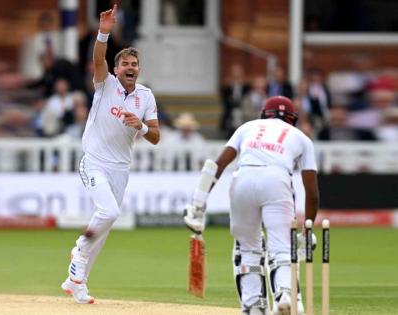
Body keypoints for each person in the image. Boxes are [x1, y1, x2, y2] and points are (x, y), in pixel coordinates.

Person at [61, 4, 160, 304]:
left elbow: (155, 137)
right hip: (94, 161)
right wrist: (103, 32)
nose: (130, 67)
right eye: (125, 64)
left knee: (103, 230)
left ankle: (76, 283)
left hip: (121, 169)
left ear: (138, 69)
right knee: (110, 213)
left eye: (134, 64)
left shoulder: (146, 96)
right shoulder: (106, 85)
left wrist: (141, 126)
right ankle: (79, 249)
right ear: (117, 69)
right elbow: (97, 59)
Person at [184, 96, 319, 315]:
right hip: (277, 180)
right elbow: (312, 192)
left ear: (264, 114)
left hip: (243, 178)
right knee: (282, 247)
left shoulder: (248, 127)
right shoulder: (301, 137)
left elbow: (218, 165)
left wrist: (198, 205)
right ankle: (285, 293)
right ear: (292, 119)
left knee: (247, 248)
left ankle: (253, 305)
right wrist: (308, 229)